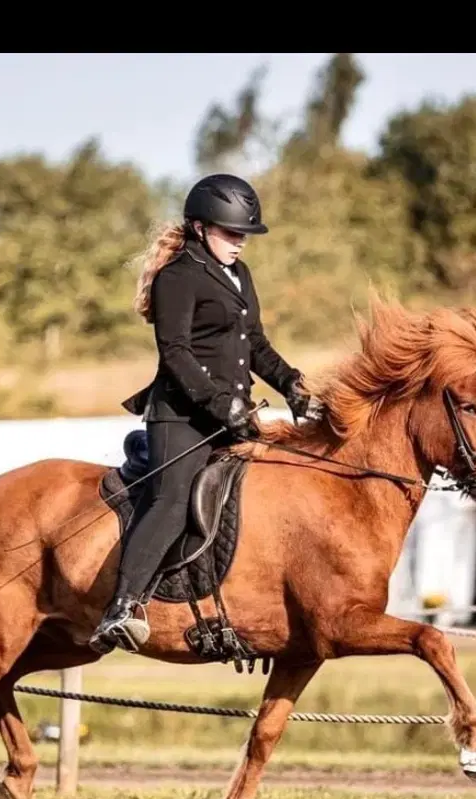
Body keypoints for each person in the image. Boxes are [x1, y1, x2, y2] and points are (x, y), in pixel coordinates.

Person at [87, 172, 324, 655]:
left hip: (232, 414)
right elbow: (175, 352)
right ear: (200, 228)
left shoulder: (240, 275)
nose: (239, 244)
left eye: (243, 236)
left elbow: (254, 343)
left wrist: (293, 386)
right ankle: (125, 604)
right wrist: (222, 404)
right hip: (181, 417)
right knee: (173, 500)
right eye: (230, 233)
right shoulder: (179, 276)